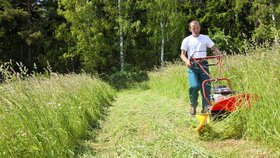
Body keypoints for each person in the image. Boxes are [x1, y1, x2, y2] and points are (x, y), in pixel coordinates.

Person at [180, 20, 220, 115]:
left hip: (204, 65)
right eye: (194, 28)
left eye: (197, 28)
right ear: (190, 29)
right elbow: (182, 55)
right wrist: (187, 61)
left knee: (206, 86)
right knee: (194, 86)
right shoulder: (187, 40)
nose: (196, 30)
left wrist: (218, 54)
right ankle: (193, 105)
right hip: (192, 66)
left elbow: (214, 48)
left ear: (200, 28)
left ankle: (206, 108)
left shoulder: (205, 38)